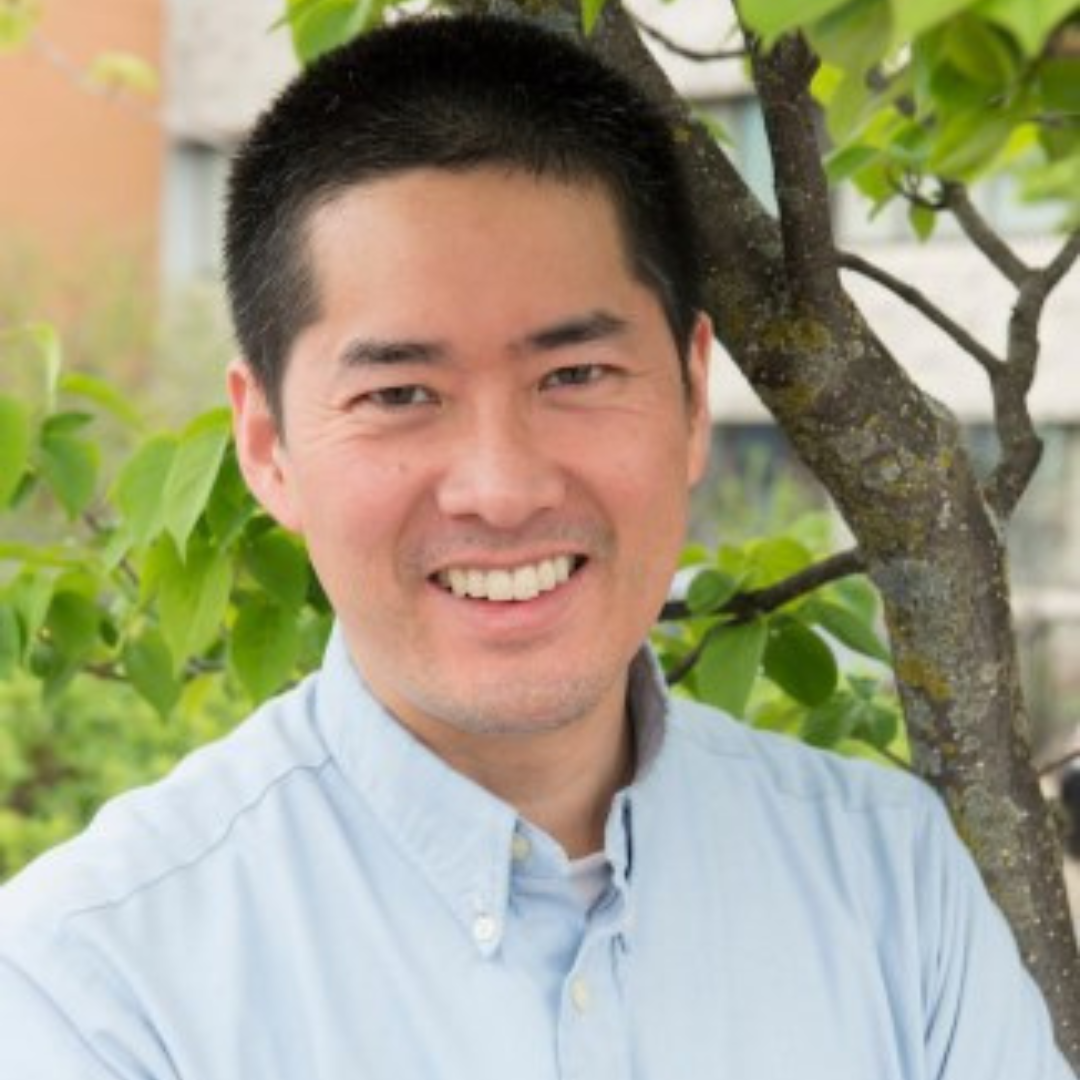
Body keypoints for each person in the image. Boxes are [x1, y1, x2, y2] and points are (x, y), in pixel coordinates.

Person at [0, 14, 1073, 1079]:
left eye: (574, 376)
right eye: (400, 393)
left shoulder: (893, 883)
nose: (501, 490)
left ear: (695, 397)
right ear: (269, 445)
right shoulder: (92, 980)